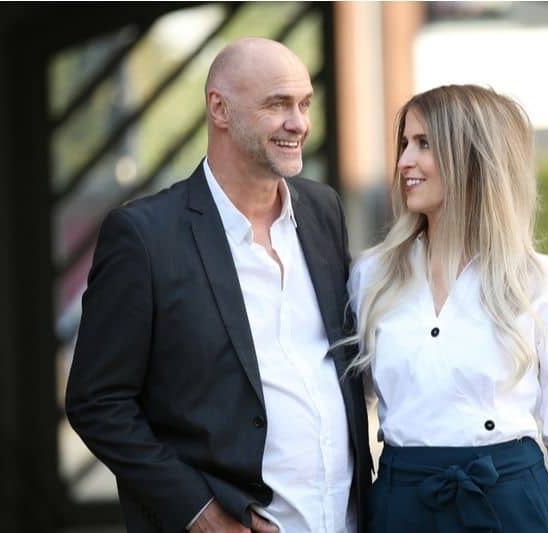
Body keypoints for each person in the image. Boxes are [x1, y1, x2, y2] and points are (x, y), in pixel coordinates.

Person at [66, 38, 371, 533]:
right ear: (219, 108)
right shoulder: (144, 237)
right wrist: (199, 515)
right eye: (278, 104)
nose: (299, 122)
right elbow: (97, 402)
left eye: (304, 104)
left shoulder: (322, 211)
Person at [347, 84, 548, 533]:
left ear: (472, 157)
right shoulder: (371, 276)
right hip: (402, 504)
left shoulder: (547, 285)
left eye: (424, 144)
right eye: (405, 143)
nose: (404, 162)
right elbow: (345, 409)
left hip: (509, 505)